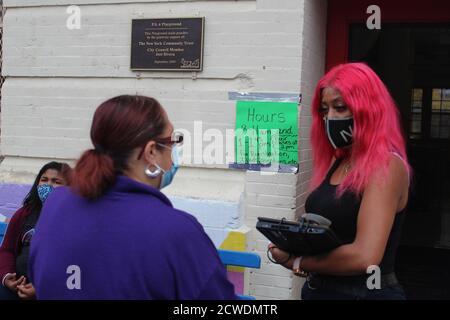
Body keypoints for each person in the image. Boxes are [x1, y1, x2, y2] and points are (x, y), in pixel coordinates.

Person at [29, 95, 236, 300]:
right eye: (173, 141)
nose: (174, 151)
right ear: (151, 151)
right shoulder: (177, 231)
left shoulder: (57, 204)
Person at [269, 63, 411, 300]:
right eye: (325, 110)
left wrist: (299, 261)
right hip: (321, 290)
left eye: (341, 107)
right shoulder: (340, 161)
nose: (330, 118)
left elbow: (365, 256)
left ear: (369, 109)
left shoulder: (386, 166)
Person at [0, 161, 71, 300]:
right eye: (44, 180)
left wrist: (42, 288)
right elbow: (6, 250)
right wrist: (8, 277)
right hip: (18, 285)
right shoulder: (24, 214)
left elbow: (73, 262)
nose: (48, 185)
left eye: (56, 181)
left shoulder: (74, 219)